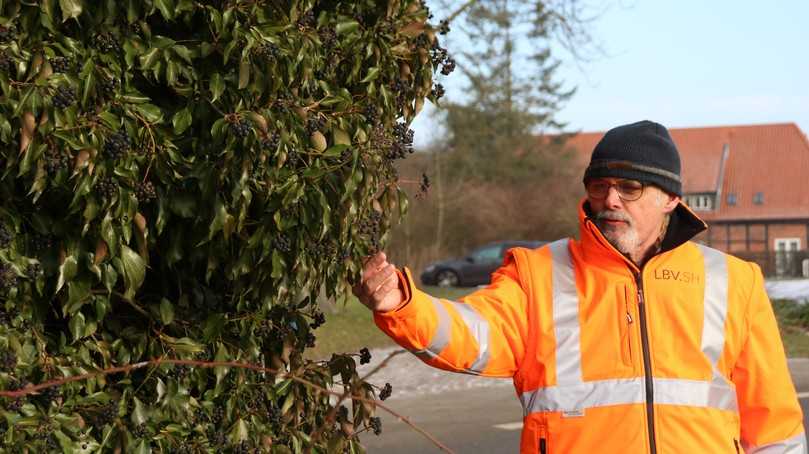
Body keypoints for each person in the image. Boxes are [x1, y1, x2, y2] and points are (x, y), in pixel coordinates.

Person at [353, 120, 806, 453]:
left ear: (670, 199)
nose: (610, 198)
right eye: (599, 184)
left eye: (629, 187)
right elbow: (474, 332)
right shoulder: (538, 272)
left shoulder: (735, 282)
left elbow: (775, 426)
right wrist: (402, 303)